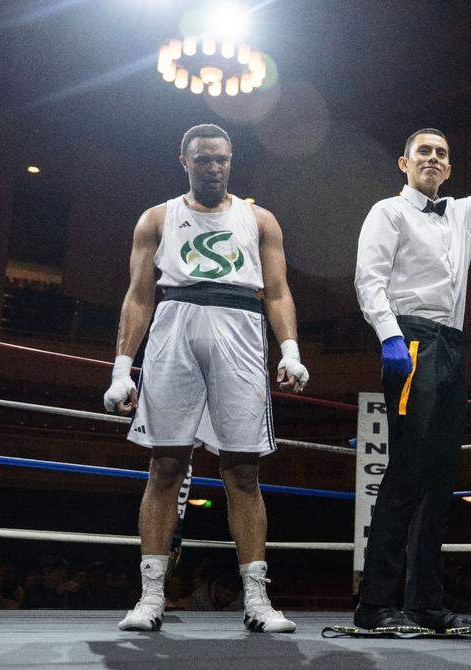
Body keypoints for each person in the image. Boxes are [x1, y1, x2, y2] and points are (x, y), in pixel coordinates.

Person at [104, 123, 310, 633]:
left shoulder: (260, 219)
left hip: (241, 328)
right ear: (185, 161)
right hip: (174, 326)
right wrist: (121, 369)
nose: (213, 168)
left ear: (231, 161)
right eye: (203, 160)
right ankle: (151, 596)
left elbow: (278, 291)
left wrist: (290, 351)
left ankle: (257, 600)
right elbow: (138, 296)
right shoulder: (156, 218)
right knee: (165, 466)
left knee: (243, 471)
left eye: (221, 159)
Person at [353, 104, 471, 632]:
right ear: (404, 163)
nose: (432, 158)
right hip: (411, 340)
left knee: (441, 477)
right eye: (423, 151)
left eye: (441, 153)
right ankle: (375, 604)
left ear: (449, 168)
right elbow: (368, 279)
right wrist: (389, 336)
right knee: (407, 471)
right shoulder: (388, 212)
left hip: (452, 344)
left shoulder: (462, 214)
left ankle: (425, 603)